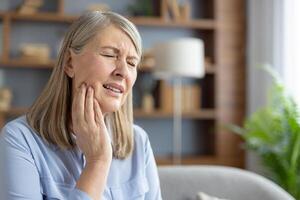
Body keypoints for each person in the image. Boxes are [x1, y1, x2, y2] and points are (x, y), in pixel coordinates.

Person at [0, 11, 162, 200]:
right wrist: (97, 163)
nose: (123, 72)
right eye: (109, 54)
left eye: (132, 63)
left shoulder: (139, 142)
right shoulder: (19, 139)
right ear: (69, 63)